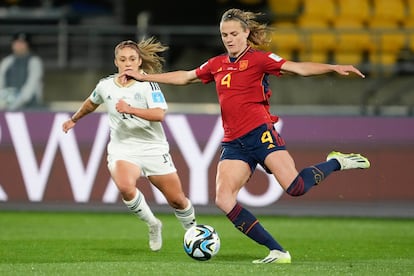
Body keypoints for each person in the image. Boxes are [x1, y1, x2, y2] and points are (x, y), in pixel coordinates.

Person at [120, 8, 371, 264]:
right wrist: (144, 76)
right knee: (223, 199)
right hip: (234, 142)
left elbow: (298, 68)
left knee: (295, 187)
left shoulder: (259, 60)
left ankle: (336, 161)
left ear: (246, 33)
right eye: (224, 35)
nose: (228, 39)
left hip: (260, 133)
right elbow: (186, 76)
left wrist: (332, 67)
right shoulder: (216, 64)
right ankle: (277, 251)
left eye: (233, 34)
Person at [62, 38, 197, 252]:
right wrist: (74, 119)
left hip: (153, 148)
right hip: (122, 148)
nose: (128, 63)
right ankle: (153, 224)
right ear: (116, 62)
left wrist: (130, 109)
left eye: (132, 59)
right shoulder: (105, 85)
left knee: (177, 201)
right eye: (123, 59)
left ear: (139, 61)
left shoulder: (148, 85)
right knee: (125, 187)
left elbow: (159, 115)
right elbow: (92, 102)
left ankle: (194, 232)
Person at [0, 32, 44, 110]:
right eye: (17, 43)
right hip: (6, 105)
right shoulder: (7, 61)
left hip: (30, 107)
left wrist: (14, 105)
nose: (19, 46)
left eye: (22, 43)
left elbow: (30, 88)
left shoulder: (34, 61)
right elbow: (1, 83)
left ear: (28, 45)